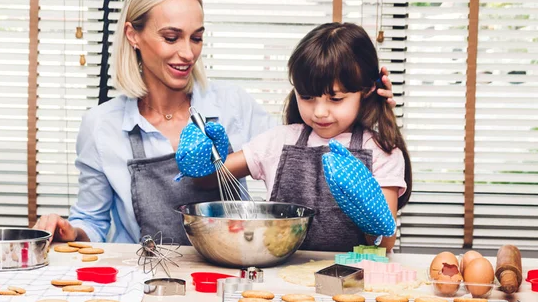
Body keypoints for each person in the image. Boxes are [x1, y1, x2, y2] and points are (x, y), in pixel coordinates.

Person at [33, 0, 396, 245]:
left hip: (228, 280)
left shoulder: (233, 105)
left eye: (197, 37)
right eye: (171, 37)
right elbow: (93, 224)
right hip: (140, 282)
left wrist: (370, 110)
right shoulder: (101, 126)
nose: (188, 52)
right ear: (133, 35)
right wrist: (70, 232)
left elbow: (312, 149)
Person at [176, 22, 412, 252]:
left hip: (352, 280)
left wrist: (367, 210)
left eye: (336, 99)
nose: (319, 111)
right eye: (307, 97)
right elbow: (214, 178)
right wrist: (204, 160)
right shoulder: (279, 142)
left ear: (367, 90)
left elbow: (385, 244)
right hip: (279, 275)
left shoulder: (382, 152)